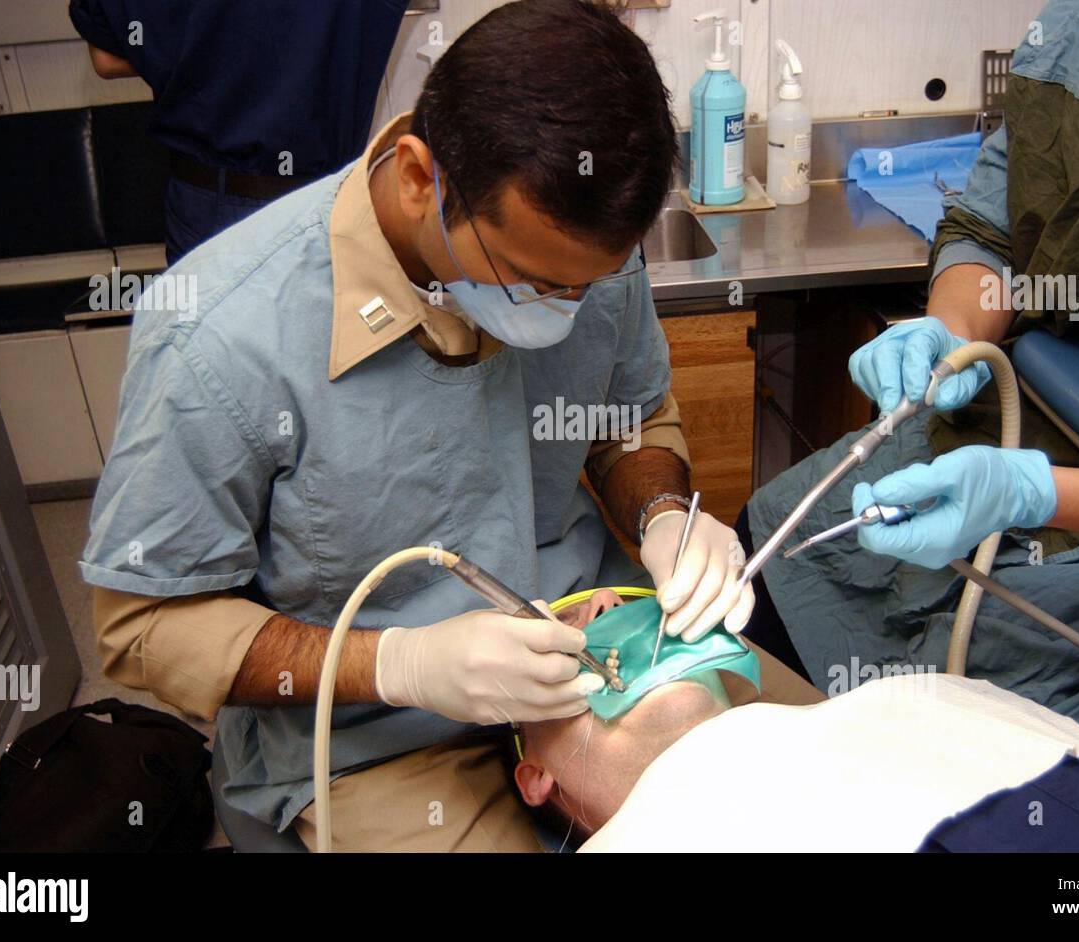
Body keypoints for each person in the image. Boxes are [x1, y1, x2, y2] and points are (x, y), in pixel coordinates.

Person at [81, 0, 757, 853]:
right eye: (528, 280)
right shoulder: (223, 337)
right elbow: (146, 624)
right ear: (416, 178)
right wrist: (402, 662)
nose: (566, 310)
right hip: (371, 740)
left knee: (788, 810)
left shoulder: (581, 249)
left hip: (596, 655)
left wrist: (665, 518)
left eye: (594, 284)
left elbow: (629, 417)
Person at [741, 0, 1079, 719]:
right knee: (760, 572)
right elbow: (990, 227)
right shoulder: (1078, 23)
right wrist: (949, 329)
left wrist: (1039, 493)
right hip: (993, 421)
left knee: (924, 740)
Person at [513, 645, 1079, 852]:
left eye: (625, 615)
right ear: (533, 778)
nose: (599, 629)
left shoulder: (904, 699)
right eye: (550, 656)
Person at [70, 0, 411, 263]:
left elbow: (107, 58)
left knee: (206, 350)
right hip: (327, 197)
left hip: (207, 200)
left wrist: (208, 49)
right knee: (329, 348)